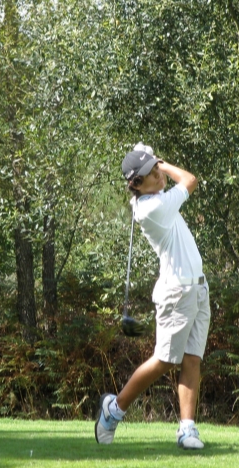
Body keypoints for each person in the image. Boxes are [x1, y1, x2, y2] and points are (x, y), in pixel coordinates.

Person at [95, 143, 211, 450]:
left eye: (157, 170)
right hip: (177, 292)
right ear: (136, 184)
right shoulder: (153, 208)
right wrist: (162, 160)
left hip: (197, 288)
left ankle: (187, 430)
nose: (159, 176)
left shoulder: (150, 196)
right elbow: (189, 180)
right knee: (164, 360)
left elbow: (144, 159)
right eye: (151, 174)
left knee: (192, 359)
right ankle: (114, 409)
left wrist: (146, 157)